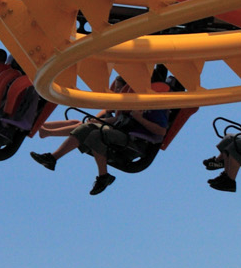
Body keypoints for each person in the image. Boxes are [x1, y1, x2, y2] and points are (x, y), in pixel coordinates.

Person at [28, 76, 168, 195]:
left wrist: (140, 119)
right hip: (121, 133)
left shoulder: (156, 105)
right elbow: (119, 119)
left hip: (135, 143)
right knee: (86, 128)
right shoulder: (133, 101)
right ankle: (53, 158)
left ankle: (103, 176)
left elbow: (161, 132)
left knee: (95, 134)